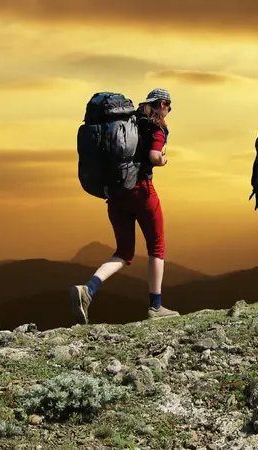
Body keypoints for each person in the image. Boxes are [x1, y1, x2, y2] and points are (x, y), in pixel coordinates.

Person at [70, 88, 180, 324]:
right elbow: (152, 156)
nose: (169, 112)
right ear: (161, 104)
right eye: (168, 107)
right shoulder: (156, 126)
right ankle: (156, 307)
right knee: (157, 248)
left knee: (123, 252)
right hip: (142, 192)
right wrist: (162, 159)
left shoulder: (129, 121)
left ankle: (88, 289)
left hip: (116, 193)